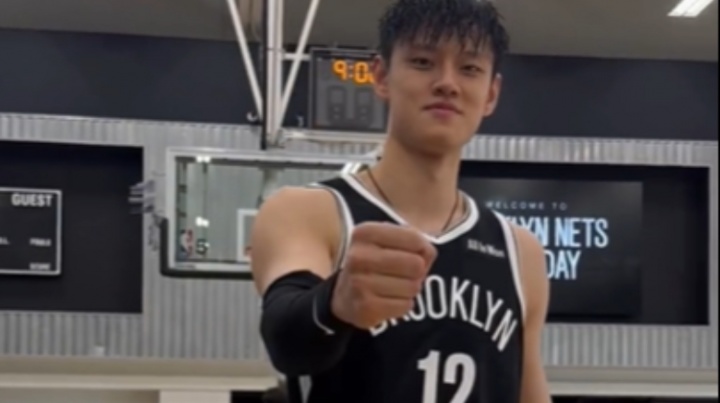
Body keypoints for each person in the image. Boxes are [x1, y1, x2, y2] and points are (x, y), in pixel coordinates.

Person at [250, 0, 552, 402]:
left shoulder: (520, 252)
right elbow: (286, 342)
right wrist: (334, 302)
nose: (447, 83)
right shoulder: (309, 212)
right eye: (423, 62)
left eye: (469, 68)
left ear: (491, 94)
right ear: (381, 76)